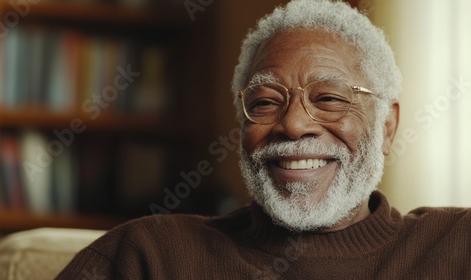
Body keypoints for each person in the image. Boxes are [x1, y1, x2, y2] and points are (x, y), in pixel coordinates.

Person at [56, 0, 471, 279]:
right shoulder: (148, 254)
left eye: (328, 99)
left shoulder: (455, 245)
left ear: (387, 127)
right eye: (266, 102)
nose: (292, 125)